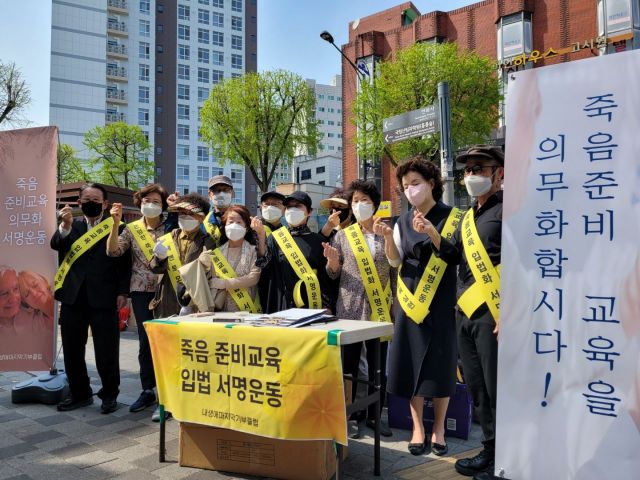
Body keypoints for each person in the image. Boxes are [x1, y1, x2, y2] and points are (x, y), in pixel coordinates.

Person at [430, 145, 504, 480]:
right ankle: (489, 450)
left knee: (497, 387)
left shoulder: (511, 211)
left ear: (499, 173)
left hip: (494, 313)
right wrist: (433, 235)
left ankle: (506, 455)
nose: (472, 175)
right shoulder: (469, 215)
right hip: (465, 313)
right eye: (468, 170)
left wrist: (512, 311)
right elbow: (455, 257)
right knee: (477, 387)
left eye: (480, 168)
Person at [378, 157, 459, 457]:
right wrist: (388, 237)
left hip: (439, 299)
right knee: (412, 363)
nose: (410, 190)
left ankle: (438, 428)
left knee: (440, 363)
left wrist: (431, 233)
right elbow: (395, 260)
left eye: (415, 183)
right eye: (405, 186)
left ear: (431, 183)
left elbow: (455, 257)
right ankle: (417, 428)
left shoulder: (453, 216)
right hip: (410, 299)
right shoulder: (401, 220)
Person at [50, 183, 131, 414]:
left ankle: (108, 395)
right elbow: (56, 244)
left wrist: (122, 293)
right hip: (73, 297)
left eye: (96, 200)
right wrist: (63, 226)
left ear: (105, 204)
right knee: (73, 348)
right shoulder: (70, 225)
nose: (91, 203)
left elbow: (124, 264)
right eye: (87, 199)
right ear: (79, 203)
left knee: (106, 349)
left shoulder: (118, 226)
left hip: (104, 297)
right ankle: (80, 393)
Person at [323, 180, 393, 438]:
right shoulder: (343, 235)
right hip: (350, 306)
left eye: (364, 200)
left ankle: (375, 414)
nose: (359, 205)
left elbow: (395, 268)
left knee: (378, 364)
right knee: (349, 365)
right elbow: (333, 275)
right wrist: (332, 264)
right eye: (355, 201)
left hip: (379, 306)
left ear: (374, 204)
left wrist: (394, 303)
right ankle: (351, 414)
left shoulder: (386, 232)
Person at [106, 183, 169, 415]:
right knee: (145, 341)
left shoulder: (172, 226)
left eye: (156, 202)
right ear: (139, 203)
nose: (150, 205)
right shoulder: (131, 229)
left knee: (167, 341)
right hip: (142, 290)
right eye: (146, 201)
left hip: (167, 290)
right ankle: (147, 390)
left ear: (163, 206)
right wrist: (114, 225)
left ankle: (168, 393)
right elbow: (113, 251)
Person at [254, 191, 333, 313]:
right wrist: (260, 236)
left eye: (298, 206)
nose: (292, 210)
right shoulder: (275, 238)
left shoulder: (319, 241)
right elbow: (265, 270)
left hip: (311, 304)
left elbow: (325, 279)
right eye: (289, 207)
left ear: (309, 212)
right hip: (282, 304)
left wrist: (327, 306)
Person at [181, 205, 261, 313]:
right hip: (221, 310)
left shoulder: (253, 251)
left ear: (246, 228)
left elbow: (254, 278)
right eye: (231, 222)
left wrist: (225, 283)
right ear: (225, 226)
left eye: (239, 222)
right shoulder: (217, 253)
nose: (234, 226)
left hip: (246, 310)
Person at [149, 193, 217, 320]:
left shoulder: (208, 242)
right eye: (182, 214)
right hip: (166, 302)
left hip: (194, 304)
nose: (186, 217)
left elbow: (211, 274)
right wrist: (160, 258)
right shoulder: (167, 238)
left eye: (191, 214)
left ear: (202, 218)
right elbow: (154, 269)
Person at [203, 175, 235, 245]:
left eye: (225, 189)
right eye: (216, 190)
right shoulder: (203, 221)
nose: (221, 194)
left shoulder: (242, 218)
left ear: (232, 193)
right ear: (209, 195)